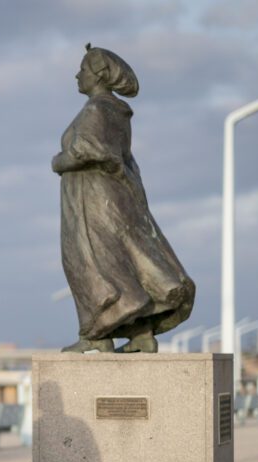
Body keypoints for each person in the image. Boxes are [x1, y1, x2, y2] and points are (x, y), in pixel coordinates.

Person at [51, 44, 195, 354]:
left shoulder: (97, 110)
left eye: (83, 70)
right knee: (123, 258)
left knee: (91, 262)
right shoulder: (114, 111)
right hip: (110, 197)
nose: (77, 75)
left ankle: (96, 335)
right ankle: (140, 333)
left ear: (99, 75)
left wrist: (57, 162)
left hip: (93, 201)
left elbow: (88, 151)